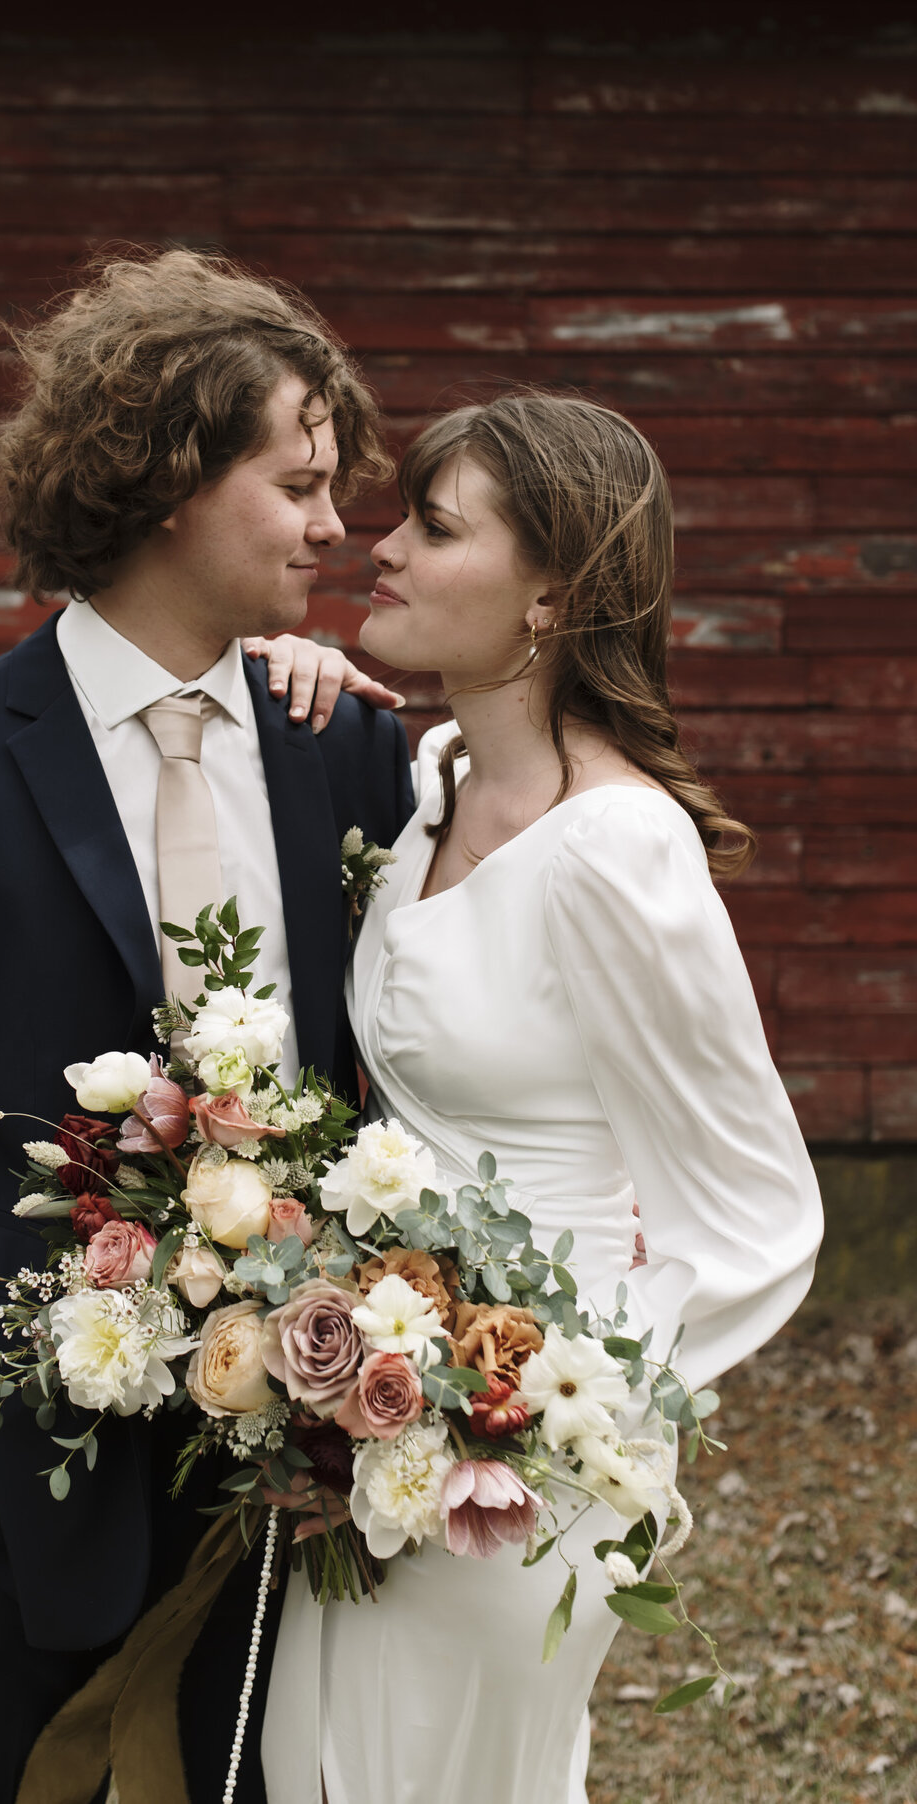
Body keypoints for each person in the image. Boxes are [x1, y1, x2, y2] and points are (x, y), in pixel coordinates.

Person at [0, 247, 412, 1804]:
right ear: (172, 483)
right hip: (24, 1464)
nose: (337, 525)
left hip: (311, 1458)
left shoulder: (347, 752)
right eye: (301, 482)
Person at [259, 390, 824, 1804]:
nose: (377, 550)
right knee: (315, 1767)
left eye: (432, 529)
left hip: (507, 1476)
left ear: (549, 597)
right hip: (360, 1421)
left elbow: (763, 1217)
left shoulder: (616, 852)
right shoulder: (432, 782)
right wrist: (270, 680)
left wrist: (551, 1414)